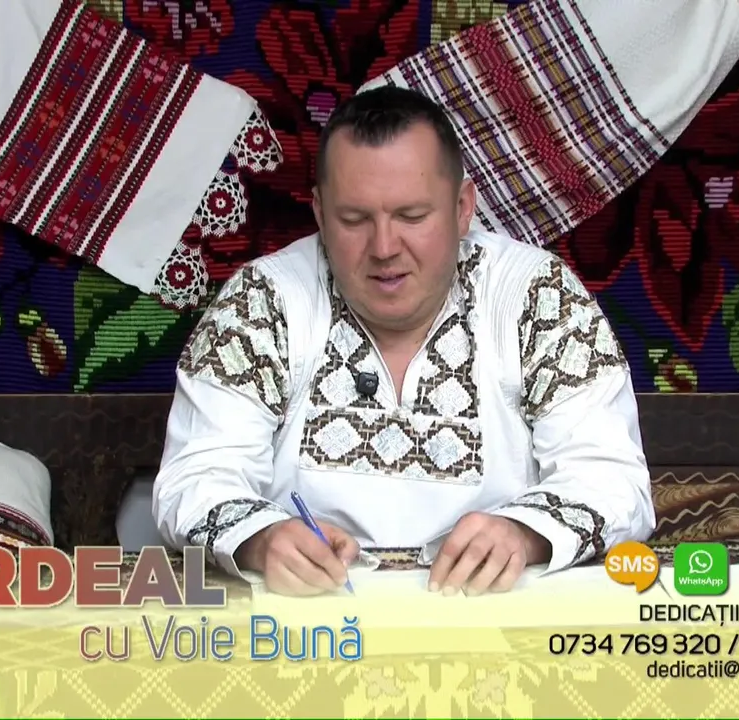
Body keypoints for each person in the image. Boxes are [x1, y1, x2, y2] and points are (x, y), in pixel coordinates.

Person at [153, 86, 655, 597]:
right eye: (354, 220)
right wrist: (262, 540)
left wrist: (523, 535)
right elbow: (193, 479)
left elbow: (615, 482)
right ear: (320, 213)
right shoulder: (264, 299)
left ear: (462, 208)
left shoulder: (536, 295)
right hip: (312, 619)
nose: (384, 248)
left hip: (493, 615)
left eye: (412, 217)